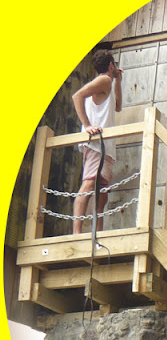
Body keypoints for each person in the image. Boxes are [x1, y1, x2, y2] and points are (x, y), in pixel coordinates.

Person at [71, 49, 122, 234]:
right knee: (89, 184)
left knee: (102, 194)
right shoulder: (103, 80)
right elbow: (77, 96)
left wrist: (118, 81)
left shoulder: (109, 82)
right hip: (96, 144)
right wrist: (87, 126)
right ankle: (76, 234)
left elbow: (118, 107)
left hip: (106, 146)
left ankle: (97, 235)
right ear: (111, 66)